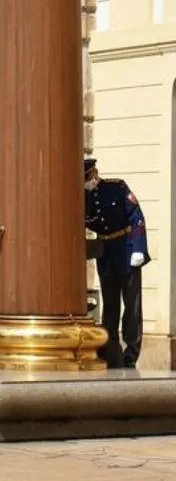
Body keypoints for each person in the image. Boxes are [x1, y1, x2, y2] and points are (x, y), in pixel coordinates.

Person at [84, 157, 150, 369]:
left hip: (127, 249)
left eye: (88, 177)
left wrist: (139, 248)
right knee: (110, 305)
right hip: (107, 253)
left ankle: (131, 354)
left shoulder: (117, 187)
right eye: (83, 179)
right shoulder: (81, 197)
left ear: (95, 173)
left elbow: (136, 217)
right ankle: (110, 350)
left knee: (131, 305)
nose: (87, 182)